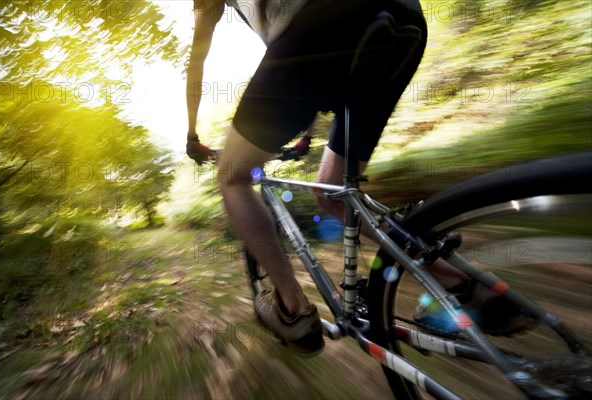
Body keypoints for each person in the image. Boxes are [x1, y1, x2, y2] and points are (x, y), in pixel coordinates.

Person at [185, 0, 528, 355]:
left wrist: (193, 136)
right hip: (402, 17)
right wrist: (306, 133)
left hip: (322, 24)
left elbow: (198, 56)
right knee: (332, 192)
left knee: (232, 177)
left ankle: (292, 308)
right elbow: (297, 56)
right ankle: (465, 286)